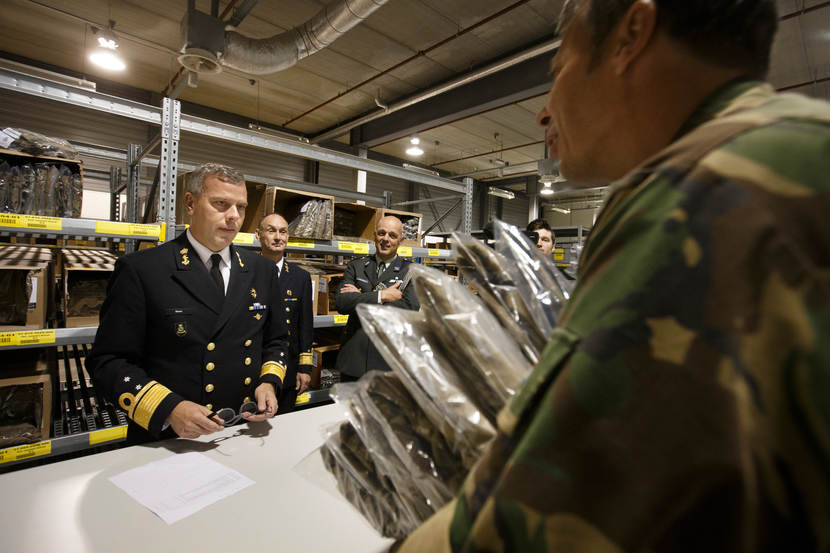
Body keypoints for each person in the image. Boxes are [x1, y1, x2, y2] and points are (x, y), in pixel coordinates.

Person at [398, 1, 830, 551]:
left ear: (631, 35)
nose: (543, 113)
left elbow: (558, 512)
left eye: (559, 67)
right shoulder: (797, 150)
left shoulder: (699, 194)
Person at [87, 163, 290, 444]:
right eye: (221, 204)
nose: (233, 216)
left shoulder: (261, 270)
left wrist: (268, 382)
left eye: (241, 207)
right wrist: (168, 408)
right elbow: (108, 361)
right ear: (190, 203)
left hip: (242, 430)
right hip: (169, 437)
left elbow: (276, 340)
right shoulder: (143, 270)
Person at [335, 215, 419, 381]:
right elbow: (342, 303)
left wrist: (360, 297)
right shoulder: (356, 266)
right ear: (374, 236)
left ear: (401, 241)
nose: (385, 239)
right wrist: (383, 296)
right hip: (354, 359)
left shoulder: (411, 272)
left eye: (392, 235)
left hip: (389, 361)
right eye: (381, 233)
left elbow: (409, 309)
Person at [255, 213, 314, 414]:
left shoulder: (300, 277)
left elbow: (305, 325)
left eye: (283, 232)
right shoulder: (245, 273)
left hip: (288, 368)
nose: (278, 237)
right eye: (271, 231)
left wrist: (305, 368)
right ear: (258, 235)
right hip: (252, 366)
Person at [527, 218, 576, 284]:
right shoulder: (516, 275)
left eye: (545, 240)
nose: (539, 244)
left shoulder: (566, 280)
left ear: (553, 247)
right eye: (535, 239)